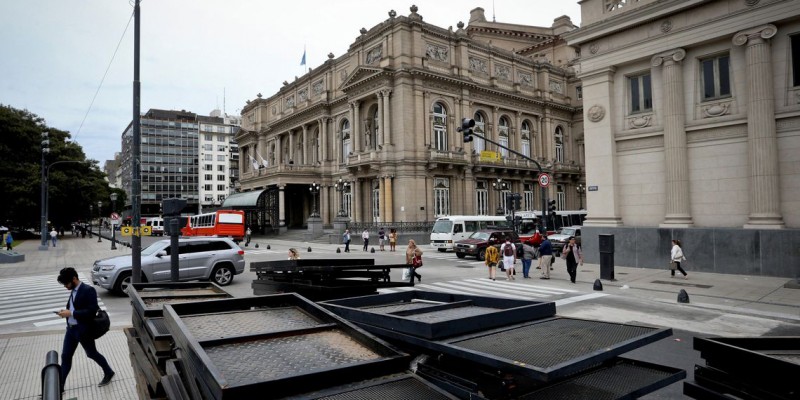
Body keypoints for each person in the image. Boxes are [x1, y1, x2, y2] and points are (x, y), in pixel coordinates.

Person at [55, 267, 115, 390]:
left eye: (67, 283)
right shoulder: (73, 290)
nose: (65, 286)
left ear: (74, 278)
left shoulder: (88, 290)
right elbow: (74, 307)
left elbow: (92, 311)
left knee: (92, 353)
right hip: (71, 330)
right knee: (65, 356)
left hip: (83, 330)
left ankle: (108, 372)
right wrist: (65, 312)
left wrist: (71, 313)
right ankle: (59, 386)